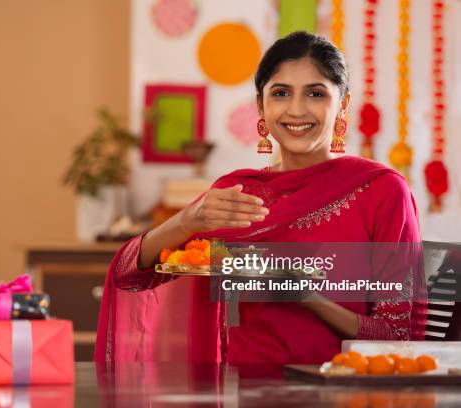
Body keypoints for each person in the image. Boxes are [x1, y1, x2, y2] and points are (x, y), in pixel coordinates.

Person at [95, 31, 427, 364]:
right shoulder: (236, 193)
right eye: (281, 93)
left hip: (338, 391)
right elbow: (128, 275)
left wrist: (306, 296)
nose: (296, 110)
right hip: (237, 390)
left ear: (342, 105)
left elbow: (398, 335)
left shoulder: (380, 190)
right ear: (260, 105)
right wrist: (186, 220)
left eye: (316, 93)